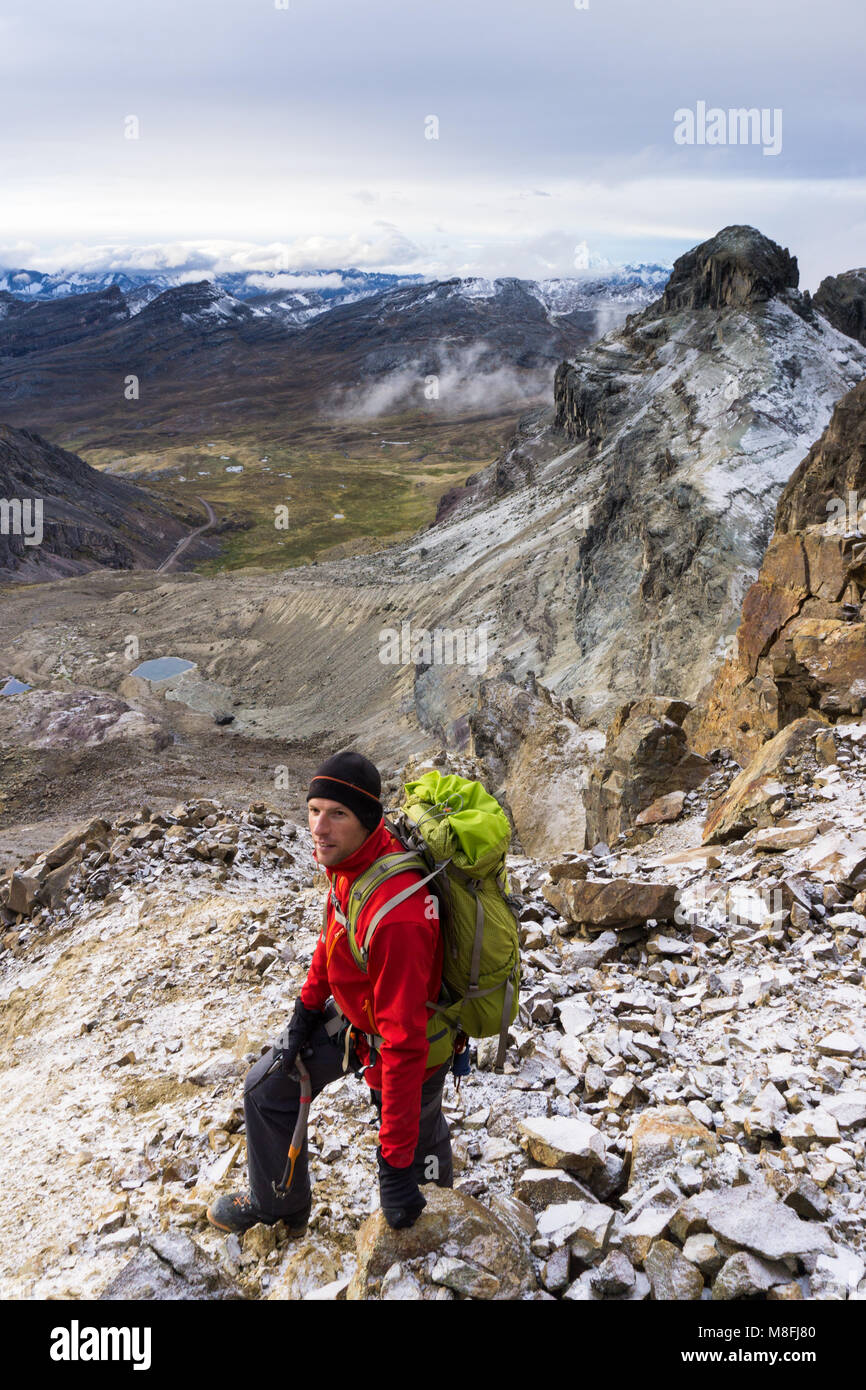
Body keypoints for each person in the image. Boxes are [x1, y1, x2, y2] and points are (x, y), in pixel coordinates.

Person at [207, 750, 454, 1236]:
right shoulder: (351, 864)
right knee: (267, 1088)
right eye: (314, 810)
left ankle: (437, 1211)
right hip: (360, 1018)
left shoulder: (397, 914)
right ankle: (279, 1204)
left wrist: (395, 1169)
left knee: (416, 1136)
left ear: (366, 821)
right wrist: (305, 1010)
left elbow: (404, 1044)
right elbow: (334, 937)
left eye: (337, 814)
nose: (319, 827)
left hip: (412, 1040)